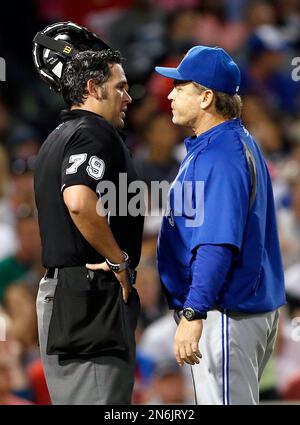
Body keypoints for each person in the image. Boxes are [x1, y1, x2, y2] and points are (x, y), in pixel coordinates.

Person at [155, 45, 286, 405]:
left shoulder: (221, 154)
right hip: (235, 311)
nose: (170, 93)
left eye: (181, 86)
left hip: (226, 312)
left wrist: (194, 311)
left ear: (206, 97)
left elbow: (217, 244)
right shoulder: (229, 144)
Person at [32, 22, 144, 404]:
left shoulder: (58, 136)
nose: (128, 96)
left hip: (73, 293)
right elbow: (79, 201)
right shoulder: (92, 132)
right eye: (120, 87)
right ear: (94, 89)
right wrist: (118, 261)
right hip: (87, 296)